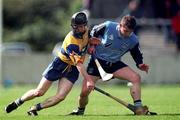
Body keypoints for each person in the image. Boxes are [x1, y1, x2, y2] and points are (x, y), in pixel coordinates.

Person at [5, 11, 95, 116]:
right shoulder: (71, 42)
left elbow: (88, 41)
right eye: (76, 27)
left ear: (85, 25)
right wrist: (89, 80)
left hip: (72, 69)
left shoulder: (87, 32)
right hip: (59, 64)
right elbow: (79, 64)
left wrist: (92, 43)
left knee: (61, 96)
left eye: (81, 26)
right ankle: (17, 102)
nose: (79, 29)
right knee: (39, 92)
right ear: (73, 26)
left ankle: (35, 108)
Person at [70, 15, 150, 115]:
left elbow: (136, 54)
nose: (127, 34)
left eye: (130, 32)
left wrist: (140, 64)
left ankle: (138, 108)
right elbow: (92, 33)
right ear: (120, 25)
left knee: (136, 78)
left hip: (114, 64)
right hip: (97, 63)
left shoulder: (133, 39)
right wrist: (91, 45)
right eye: (125, 31)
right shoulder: (108, 26)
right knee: (84, 93)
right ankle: (80, 110)